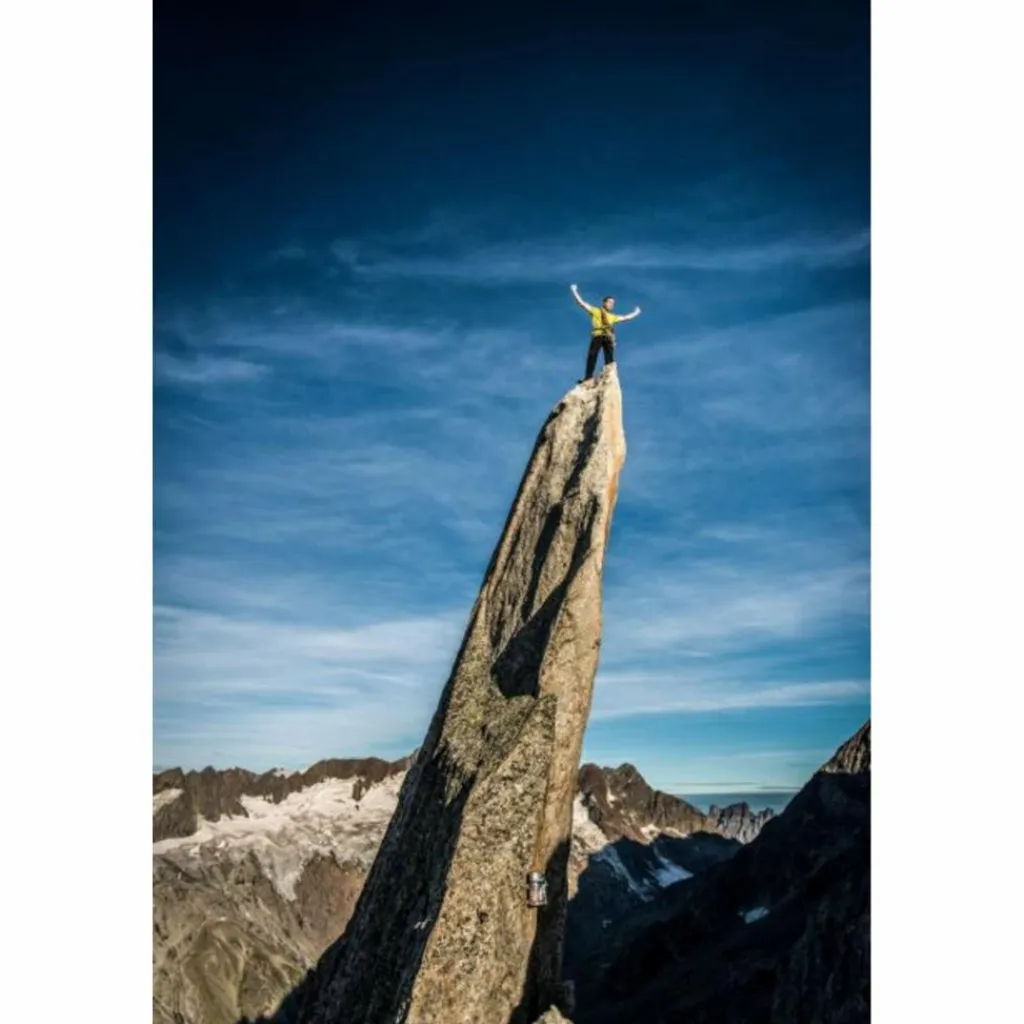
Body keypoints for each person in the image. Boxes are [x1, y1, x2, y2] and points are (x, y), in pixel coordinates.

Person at [570, 284, 641, 381]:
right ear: (604, 303)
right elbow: (581, 303)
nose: (612, 305)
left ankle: (609, 375)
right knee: (592, 355)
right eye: (610, 302)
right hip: (598, 335)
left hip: (607, 337)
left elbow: (626, 318)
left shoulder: (613, 317)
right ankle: (588, 377)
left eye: (613, 303)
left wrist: (636, 312)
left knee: (609, 358)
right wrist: (574, 290)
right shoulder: (596, 311)